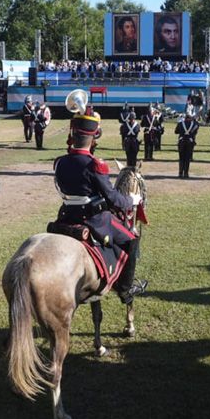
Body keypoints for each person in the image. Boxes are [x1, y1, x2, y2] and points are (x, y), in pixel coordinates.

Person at [53, 108, 146, 303]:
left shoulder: (60, 163)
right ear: (93, 138)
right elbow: (113, 198)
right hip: (94, 220)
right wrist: (133, 200)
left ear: (73, 135)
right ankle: (126, 290)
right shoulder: (95, 165)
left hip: (66, 216)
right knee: (132, 240)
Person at [175, 108, 199, 179]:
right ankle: (186, 173)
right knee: (187, 158)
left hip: (182, 141)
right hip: (190, 142)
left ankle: (180, 173)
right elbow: (195, 132)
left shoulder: (180, 124)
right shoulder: (194, 124)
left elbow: (176, 132)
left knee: (181, 158)